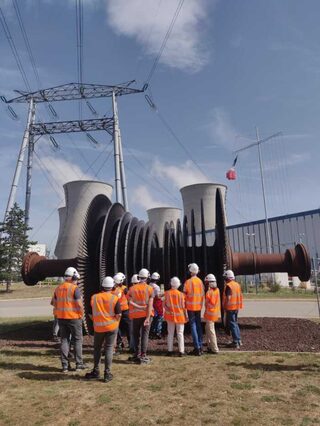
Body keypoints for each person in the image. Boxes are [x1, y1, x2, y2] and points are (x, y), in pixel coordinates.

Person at [85, 276, 121, 382]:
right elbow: (118, 315)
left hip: (98, 328)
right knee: (109, 349)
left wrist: (97, 321)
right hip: (111, 327)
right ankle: (107, 373)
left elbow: (90, 313)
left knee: (97, 349)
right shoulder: (115, 298)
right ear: (113, 287)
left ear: (102, 286)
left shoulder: (94, 297)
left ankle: (96, 371)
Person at [51, 267, 85, 373]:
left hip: (61, 318)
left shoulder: (58, 288)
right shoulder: (74, 289)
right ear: (73, 277)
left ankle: (65, 366)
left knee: (64, 340)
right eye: (75, 278)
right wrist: (81, 315)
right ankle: (79, 364)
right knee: (78, 340)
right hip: (74, 318)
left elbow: (53, 302)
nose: (76, 281)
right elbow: (79, 305)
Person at [128, 268, 154, 364]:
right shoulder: (150, 289)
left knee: (136, 335)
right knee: (144, 335)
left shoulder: (132, 289)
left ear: (139, 277)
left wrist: (138, 306)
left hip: (135, 315)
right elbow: (150, 305)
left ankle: (136, 353)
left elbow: (129, 301)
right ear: (147, 278)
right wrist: (147, 317)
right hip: (146, 315)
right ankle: (143, 354)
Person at [184, 263, 205, 356]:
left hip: (190, 307)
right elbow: (202, 294)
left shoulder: (188, 282)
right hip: (198, 307)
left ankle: (197, 348)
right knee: (199, 326)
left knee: (193, 326)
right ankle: (200, 346)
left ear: (191, 271)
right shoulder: (200, 282)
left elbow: (184, 294)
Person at [164, 277, 187, 356]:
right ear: (178, 284)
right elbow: (184, 307)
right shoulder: (181, 295)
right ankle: (181, 351)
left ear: (171, 284)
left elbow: (164, 305)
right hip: (180, 317)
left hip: (169, 316)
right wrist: (186, 316)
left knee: (170, 333)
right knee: (180, 334)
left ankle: (170, 350)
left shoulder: (166, 293)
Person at [223, 269, 243, 349]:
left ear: (227, 277)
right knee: (235, 323)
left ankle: (235, 342)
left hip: (230, 307)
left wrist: (225, 306)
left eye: (225, 277)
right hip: (236, 307)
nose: (224, 279)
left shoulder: (229, 286)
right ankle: (239, 340)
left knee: (232, 324)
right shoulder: (237, 284)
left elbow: (228, 297)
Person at [112, 272, 130, 352]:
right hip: (125, 310)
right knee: (128, 327)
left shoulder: (112, 290)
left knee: (117, 327)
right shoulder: (124, 289)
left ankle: (119, 343)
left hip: (116, 311)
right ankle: (130, 343)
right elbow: (129, 298)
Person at [204, 274, 220, 354]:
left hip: (210, 314)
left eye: (206, 283)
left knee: (211, 331)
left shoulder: (209, 292)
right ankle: (209, 346)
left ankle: (215, 349)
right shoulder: (217, 290)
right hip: (214, 313)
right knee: (208, 329)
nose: (206, 284)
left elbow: (207, 304)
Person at [149, 272, 163, 339]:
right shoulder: (156, 287)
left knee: (153, 318)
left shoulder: (149, 285)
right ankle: (158, 332)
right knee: (159, 318)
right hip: (157, 304)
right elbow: (158, 297)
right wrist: (163, 294)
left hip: (151, 303)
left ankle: (152, 332)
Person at [128, 273, 139, 353]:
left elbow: (128, 301)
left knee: (132, 332)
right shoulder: (142, 289)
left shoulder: (130, 290)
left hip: (132, 314)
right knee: (140, 332)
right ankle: (139, 348)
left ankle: (132, 347)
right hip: (141, 313)